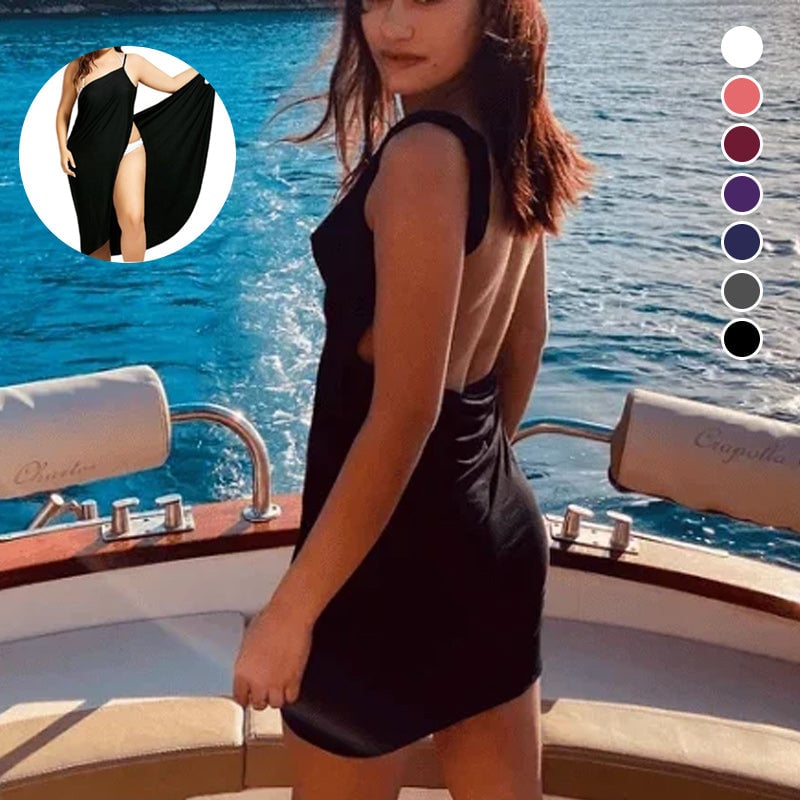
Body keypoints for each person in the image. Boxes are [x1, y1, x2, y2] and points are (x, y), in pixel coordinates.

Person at [233, 0, 592, 797]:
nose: (391, 26)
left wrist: (292, 612)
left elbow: (404, 412)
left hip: (382, 569)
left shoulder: (423, 154)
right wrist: (464, 491)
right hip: (495, 534)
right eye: (374, 0)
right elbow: (525, 341)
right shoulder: (512, 133)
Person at [55, 47, 216, 262]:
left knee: (134, 220)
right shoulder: (76, 67)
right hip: (87, 157)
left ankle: (134, 276)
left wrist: (208, 69)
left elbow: (173, 84)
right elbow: (64, 112)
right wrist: (63, 149)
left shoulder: (133, 62)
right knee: (95, 233)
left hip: (130, 150)